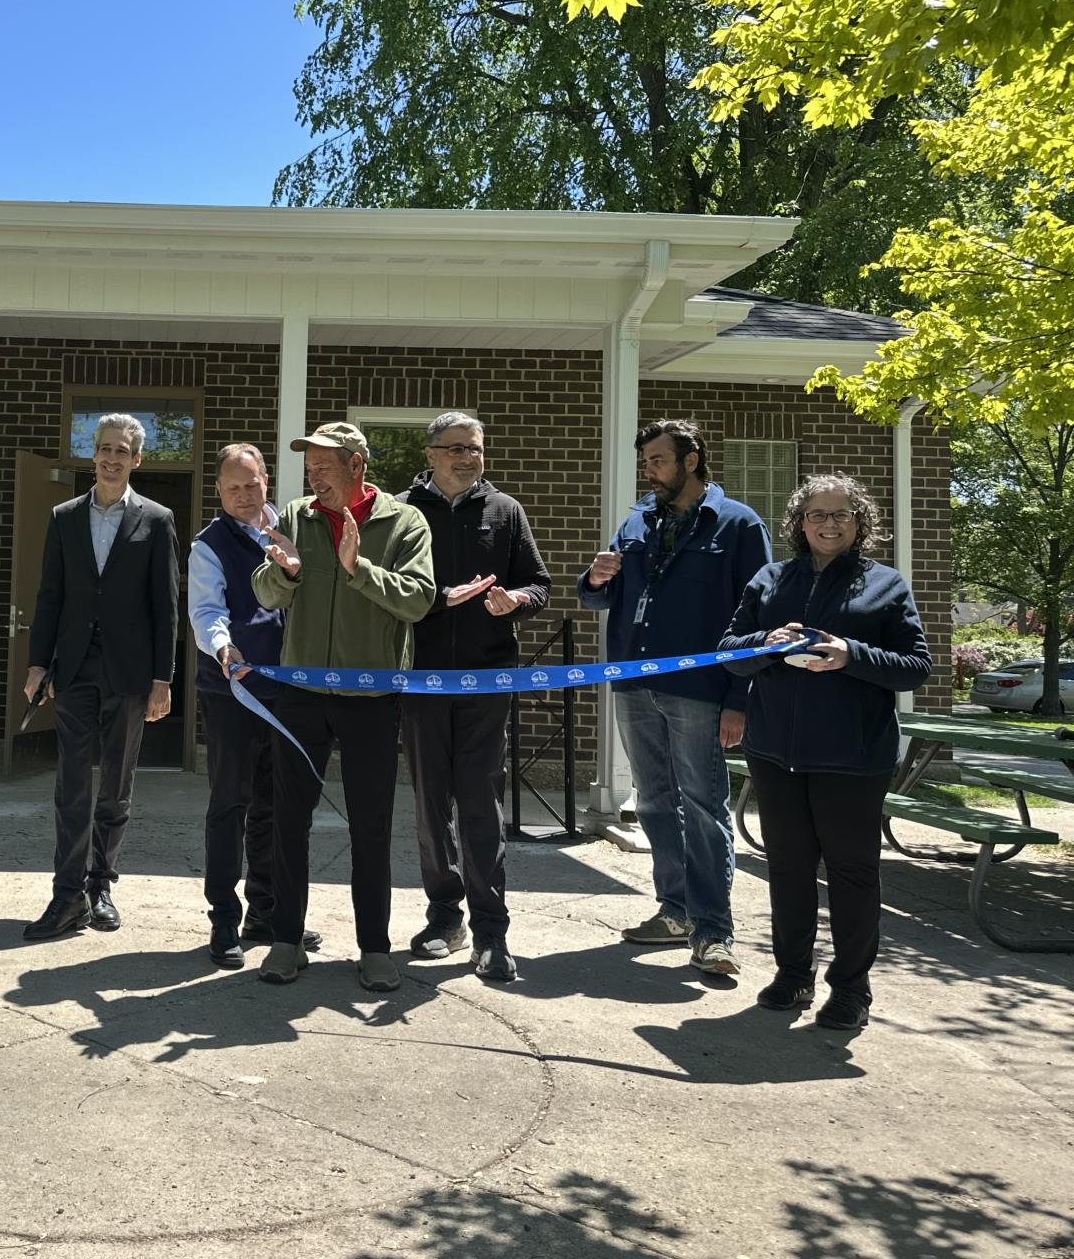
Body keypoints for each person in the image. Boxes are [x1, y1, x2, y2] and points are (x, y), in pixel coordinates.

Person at [721, 473, 929, 1031]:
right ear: (799, 522)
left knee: (852, 873)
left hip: (853, 757)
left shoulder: (885, 585)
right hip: (775, 754)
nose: (829, 524)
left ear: (860, 522)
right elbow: (729, 653)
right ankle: (793, 975)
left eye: (841, 514)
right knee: (788, 869)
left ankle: (852, 988)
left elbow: (916, 667)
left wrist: (850, 654)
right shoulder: (770, 580)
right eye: (817, 514)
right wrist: (765, 644)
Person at [578, 419, 771, 976]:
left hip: (700, 690)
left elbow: (758, 619)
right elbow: (600, 599)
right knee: (655, 803)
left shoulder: (738, 523)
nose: (650, 471)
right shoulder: (638, 519)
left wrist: (739, 698)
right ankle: (675, 911)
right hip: (634, 682)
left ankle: (713, 931)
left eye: (658, 461)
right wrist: (595, 579)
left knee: (704, 807)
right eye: (646, 462)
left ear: (691, 460)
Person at [248, 422, 437, 991]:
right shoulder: (296, 515)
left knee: (371, 826)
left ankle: (374, 948)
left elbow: (419, 600)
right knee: (289, 820)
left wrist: (358, 569)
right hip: (302, 694)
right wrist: (286, 571)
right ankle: (286, 940)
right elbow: (264, 592)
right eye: (309, 467)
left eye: (324, 466)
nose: (313, 476)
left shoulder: (405, 522)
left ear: (357, 465)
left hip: (372, 699)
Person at [398, 412, 551, 982]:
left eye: (476, 449)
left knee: (480, 802)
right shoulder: (403, 511)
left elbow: (539, 583)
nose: (469, 458)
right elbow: (388, 592)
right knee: (431, 804)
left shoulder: (505, 511)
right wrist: (440, 599)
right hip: (421, 680)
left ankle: (492, 932)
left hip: (488, 680)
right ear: (431, 453)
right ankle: (445, 918)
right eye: (457, 448)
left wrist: (517, 601)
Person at [21, 413, 179, 941]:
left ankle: (100, 886)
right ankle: (67, 895)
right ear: (94, 455)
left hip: (130, 674)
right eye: (105, 448)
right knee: (72, 784)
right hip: (74, 669)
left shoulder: (157, 519)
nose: (112, 458)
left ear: (137, 460)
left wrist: (162, 679)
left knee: (116, 783)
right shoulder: (64, 516)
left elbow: (165, 607)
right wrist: (38, 664)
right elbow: (50, 595)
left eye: (122, 451)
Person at [187, 443, 319, 968]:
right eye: (233, 487)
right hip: (232, 692)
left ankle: (267, 912)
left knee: (277, 805)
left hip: (289, 692)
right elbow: (206, 610)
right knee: (230, 804)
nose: (243, 495)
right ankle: (224, 918)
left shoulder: (293, 530)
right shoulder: (208, 544)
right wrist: (223, 647)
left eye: (251, 484)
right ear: (219, 490)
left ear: (267, 481)